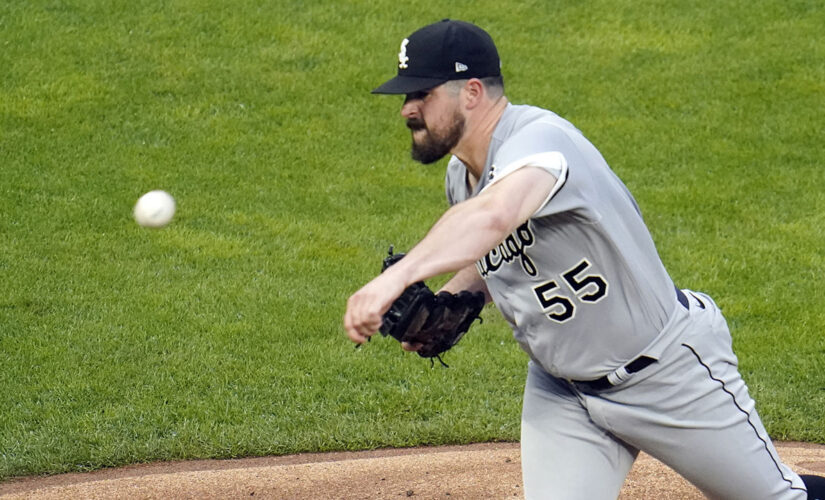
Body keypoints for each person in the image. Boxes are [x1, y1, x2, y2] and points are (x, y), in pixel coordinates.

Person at [343, 19, 825, 500]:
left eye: (421, 94)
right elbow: (494, 248)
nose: (407, 109)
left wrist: (396, 279)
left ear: (471, 91)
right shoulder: (459, 174)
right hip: (562, 392)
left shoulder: (542, 141)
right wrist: (453, 298)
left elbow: (496, 214)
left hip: (665, 373)